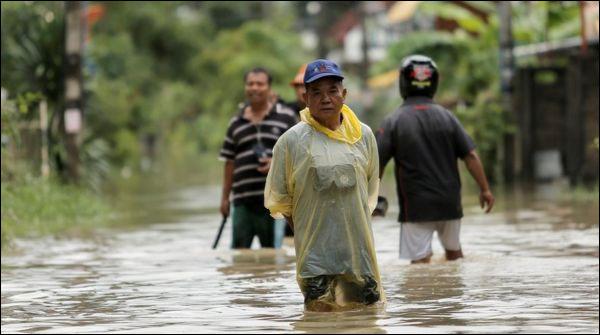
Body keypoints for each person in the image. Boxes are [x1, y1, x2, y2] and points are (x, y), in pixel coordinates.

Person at [265, 59, 384, 311]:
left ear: (344, 95)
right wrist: (308, 236)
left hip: (358, 253)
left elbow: (371, 187)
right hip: (315, 257)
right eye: (316, 93)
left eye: (332, 91)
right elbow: (281, 199)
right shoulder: (291, 142)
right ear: (305, 98)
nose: (325, 98)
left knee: (365, 317)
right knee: (319, 318)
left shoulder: (363, 135)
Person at [376, 55, 495, 264]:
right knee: (455, 256)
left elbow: (377, 163)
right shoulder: (448, 117)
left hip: (415, 205)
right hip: (449, 202)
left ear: (403, 82)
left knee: (420, 267)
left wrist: (371, 197)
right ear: (434, 82)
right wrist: (484, 189)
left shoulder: (394, 121)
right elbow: (471, 156)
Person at [219, 67, 297, 249]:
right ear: (245, 88)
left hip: (274, 202)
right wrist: (224, 198)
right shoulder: (235, 123)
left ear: (269, 88)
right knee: (239, 255)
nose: (254, 88)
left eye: (260, 84)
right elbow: (229, 161)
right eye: (250, 84)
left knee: (273, 256)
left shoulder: (286, 118)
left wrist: (276, 164)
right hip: (242, 201)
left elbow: (299, 154)